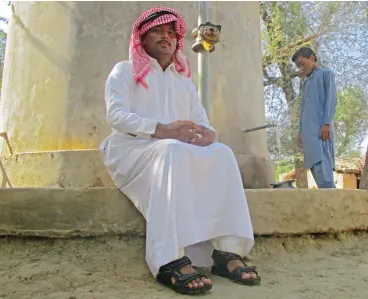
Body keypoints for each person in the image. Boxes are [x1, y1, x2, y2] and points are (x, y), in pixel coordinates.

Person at [99, 7, 261, 295]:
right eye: (159, 31)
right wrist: (160, 129)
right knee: (171, 150)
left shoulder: (183, 82)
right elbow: (117, 116)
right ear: (142, 38)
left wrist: (209, 135)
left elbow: (202, 123)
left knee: (222, 153)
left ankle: (226, 253)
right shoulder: (124, 71)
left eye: (172, 33)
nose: (167, 37)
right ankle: (168, 260)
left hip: (172, 148)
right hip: (130, 148)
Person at [292, 47, 337, 188]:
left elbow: (331, 99)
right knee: (314, 167)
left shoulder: (326, 74)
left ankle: (333, 203)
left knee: (324, 168)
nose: (301, 68)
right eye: (298, 66)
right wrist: (300, 132)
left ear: (311, 58)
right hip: (308, 134)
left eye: (302, 63)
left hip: (321, 130)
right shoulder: (306, 82)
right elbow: (304, 109)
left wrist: (326, 124)